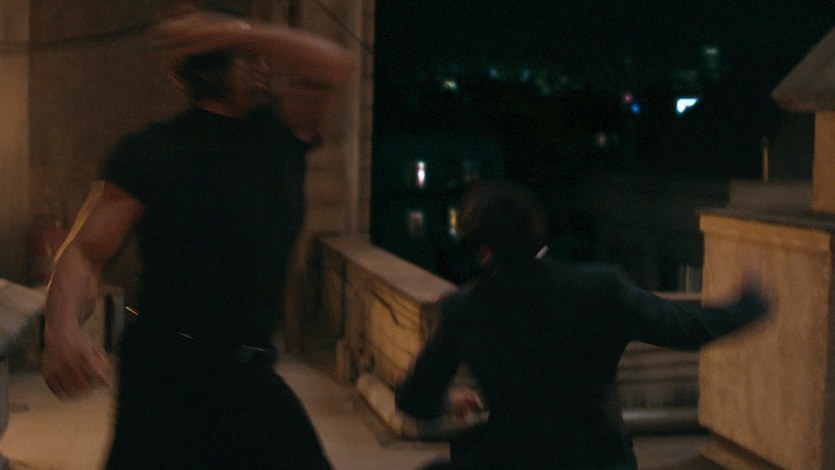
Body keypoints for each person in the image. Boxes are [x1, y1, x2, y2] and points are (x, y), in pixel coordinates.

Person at [41, 4, 355, 468]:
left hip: (250, 370)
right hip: (167, 373)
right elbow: (85, 253)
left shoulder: (282, 134)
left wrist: (237, 34)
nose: (264, 67)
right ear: (209, 70)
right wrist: (63, 328)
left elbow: (335, 64)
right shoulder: (152, 151)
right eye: (246, 59)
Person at [395, 180, 770, 469]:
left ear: (485, 250)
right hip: (599, 459)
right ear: (537, 232)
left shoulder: (464, 309)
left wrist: (447, 400)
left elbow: (415, 400)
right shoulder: (602, 289)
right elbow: (687, 327)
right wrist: (751, 304)